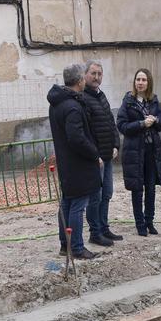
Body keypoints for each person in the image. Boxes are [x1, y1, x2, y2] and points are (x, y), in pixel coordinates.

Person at [47, 64, 103, 260]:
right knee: (77, 205)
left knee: (68, 203)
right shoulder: (72, 106)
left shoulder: (58, 102)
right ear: (80, 81)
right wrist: (94, 154)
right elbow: (76, 138)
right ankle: (77, 248)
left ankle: (65, 245)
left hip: (66, 163)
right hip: (77, 165)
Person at [116, 68, 161, 236]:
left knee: (151, 189)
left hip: (151, 151)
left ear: (149, 82)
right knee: (137, 189)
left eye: (144, 80)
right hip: (134, 152)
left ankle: (149, 222)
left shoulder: (153, 100)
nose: (140, 82)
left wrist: (156, 120)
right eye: (138, 79)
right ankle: (140, 224)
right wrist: (141, 124)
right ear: (134, 82)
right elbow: (122, 125)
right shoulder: (128, 101)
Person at [81, 61, 122, 247]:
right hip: (95, 160)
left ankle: (104, 228)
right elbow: (86, 132)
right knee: (95, 198)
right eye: (93, 73)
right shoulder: (83, 99)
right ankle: (95, 233)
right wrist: (94, 155)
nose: (96, 77)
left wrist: (116, 144)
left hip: (107, 156)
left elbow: (111, 123)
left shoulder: (101, 96)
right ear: (85, 75)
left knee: (107, 194)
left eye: (99, 73)